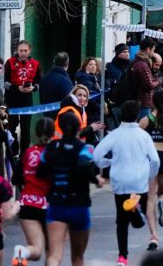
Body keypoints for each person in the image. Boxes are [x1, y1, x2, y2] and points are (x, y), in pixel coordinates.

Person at [94, 100, 159, 266]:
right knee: (143, 211)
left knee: (121, 221)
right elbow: (155, 160)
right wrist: (149, 175)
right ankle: (138, 216)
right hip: (139, 180)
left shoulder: (114, 135)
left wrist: (108, 163)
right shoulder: (143, 136)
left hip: (120, 181)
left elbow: (96, 156)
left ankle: (122, 257)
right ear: (137, 115)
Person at [38, 111, 103, 266]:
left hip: (57, 205)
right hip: (79, 205)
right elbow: (83, 166)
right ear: (79, 128)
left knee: (54, 255)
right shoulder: (85, 148)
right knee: (78, 257)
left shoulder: (51, 147)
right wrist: (96, 180)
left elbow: (40, 172)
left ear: (59, 127)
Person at [12, 118, 53, 266]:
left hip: (28, 204)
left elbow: (15, 179)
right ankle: (24, 253)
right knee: (52, 253)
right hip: (49, 206)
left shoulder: (28, 152)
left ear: (36, 133)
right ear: (53, 133)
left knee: (35, 249)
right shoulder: (54, 153)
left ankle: (23, 252)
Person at [142, 91, 163, 251]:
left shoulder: (145, 120)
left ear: (152, 103)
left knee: (150, 198)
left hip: (150, 159)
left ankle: (153, 236)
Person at [5, 42, 41, 151]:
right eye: (21, 50)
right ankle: (13, 151)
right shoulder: (10, 62)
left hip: (27, 98)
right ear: (17, 50)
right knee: (11, 126)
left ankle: (25, 153)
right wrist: (17, 88)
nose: (23, 53)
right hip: (12, 97)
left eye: (25, 51)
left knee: (25, 128)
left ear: (29, 51)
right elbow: (5, 83)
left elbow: (39, 83)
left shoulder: (35, 63)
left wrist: (33, 88)